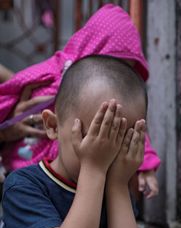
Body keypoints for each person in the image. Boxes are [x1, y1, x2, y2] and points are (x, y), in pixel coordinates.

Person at [0, 56, 181, 228]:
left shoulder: (114, 185)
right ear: (52, 126)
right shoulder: (25, 185)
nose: (105, 156)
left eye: (117, 144)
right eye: (94, 140)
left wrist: (116, 185)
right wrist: (93, 168)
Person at [0, 4, 160, 199]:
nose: (119, 81)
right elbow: (11, 91)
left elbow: (135, 130)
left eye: (126, 71)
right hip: (28, 175)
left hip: (80, 188)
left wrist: (146, 166)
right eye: (113, 69)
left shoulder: (116, 103)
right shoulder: (51, 74)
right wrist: (5, 126)